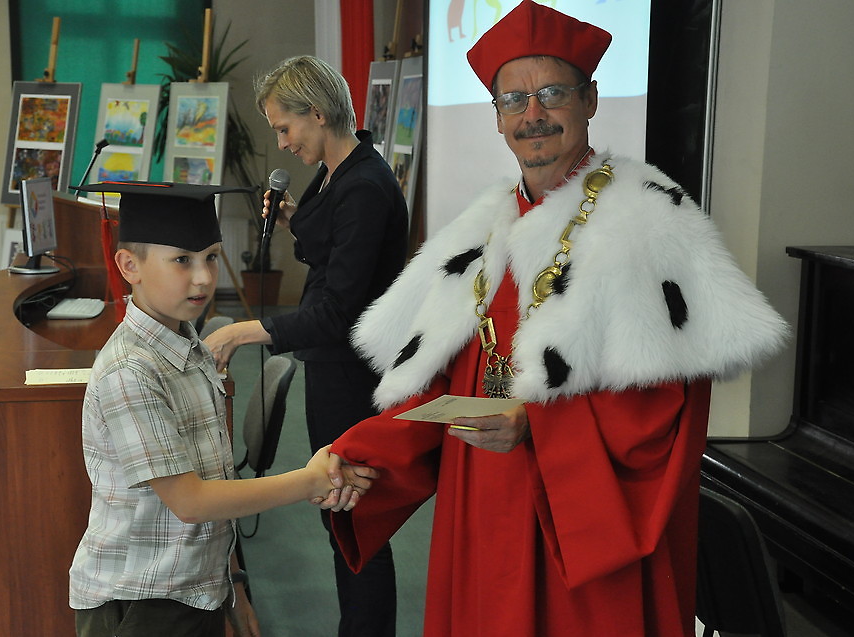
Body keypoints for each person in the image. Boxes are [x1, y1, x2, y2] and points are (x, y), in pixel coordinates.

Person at [324, 2, 790, 636]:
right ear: (497, 118)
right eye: (513, 100)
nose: (533, 114)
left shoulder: (647, 218)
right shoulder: (481, 233)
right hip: (483, 501)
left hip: (581, 526)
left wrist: (539, 424)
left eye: (551, 93)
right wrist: (354, 456)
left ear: (590, 99)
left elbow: (668, 407)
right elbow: (445, 384)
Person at [68, 181, 376, 637]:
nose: (203, 278)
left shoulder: (189, 345)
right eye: (182, 260)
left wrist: (235, 585)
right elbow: (191, 502)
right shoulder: (130, 370)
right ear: (129, 266)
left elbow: (215, 478)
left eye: (211, 257)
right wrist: (311, 480)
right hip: (140, 602)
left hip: (196, 588)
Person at [202, 56, 408, 637]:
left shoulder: (364, 186)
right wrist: (296, 218)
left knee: (355, 519)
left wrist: (243, 331)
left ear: (317, 113)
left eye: (284, 127)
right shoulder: (338, 172)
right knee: (340, 517)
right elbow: (332, 250)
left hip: (352, 374)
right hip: (333, 369)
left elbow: (337, 312)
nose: (282, 143)